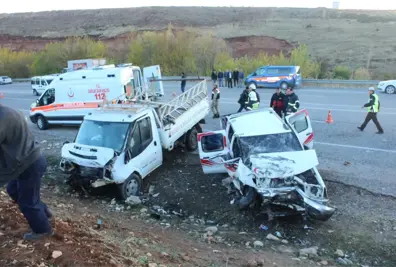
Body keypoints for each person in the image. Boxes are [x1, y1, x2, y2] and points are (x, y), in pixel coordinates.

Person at [0, 104, 54, 240]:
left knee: (27, 202)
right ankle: (45, 212)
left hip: (29, 163)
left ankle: (42, 230)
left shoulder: (3, 117)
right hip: (25, 160)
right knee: (13, 190)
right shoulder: (8, 110)